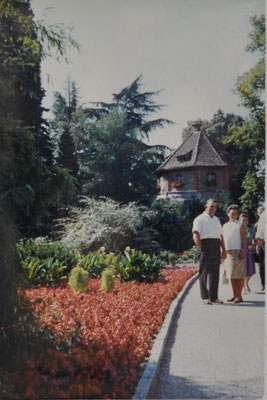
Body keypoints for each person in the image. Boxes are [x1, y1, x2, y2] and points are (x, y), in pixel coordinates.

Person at [192, 199, 226, 305]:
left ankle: (214, 297)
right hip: (204, 246)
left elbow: (221, 236)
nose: (213, 209)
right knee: (204, 272)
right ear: (206, 207)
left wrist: (223, 249)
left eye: (215, 207)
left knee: (215, 272)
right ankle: (205, 297)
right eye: (211, 206)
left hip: (215, 246)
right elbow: (195, 234)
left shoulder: (216, 219)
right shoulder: (199, 219)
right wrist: (201, 247)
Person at [223, 205, 246, 303]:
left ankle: (239, 296)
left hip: (238, 251)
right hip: (228, 253)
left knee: (239, 275)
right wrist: (223, 251)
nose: (234, 215)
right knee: (231, 275)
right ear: (228, 213)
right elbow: (223, 239)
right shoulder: (225, 225)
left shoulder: (240, 224)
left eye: (236, 214)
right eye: (232, 213)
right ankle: (234, 295)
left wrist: (243, 251)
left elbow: (244, 239)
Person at [239, 213, 256, 294]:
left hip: (249, 251)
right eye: (242, 220)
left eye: (246, 220)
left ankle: (246, 283)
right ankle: (243, 286)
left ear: (248, 221)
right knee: (242, 270)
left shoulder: (251, 230)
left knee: (250, 270)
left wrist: (253, 245)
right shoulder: (237, 229)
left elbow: (254, 239)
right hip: (240, 250)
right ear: (239, 221)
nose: (244, 222)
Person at [255, 207, 265, 291]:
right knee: (261, 266)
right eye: (260, 212)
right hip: (259, 246)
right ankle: (263, 284)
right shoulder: (256, 225)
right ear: (258, 214)